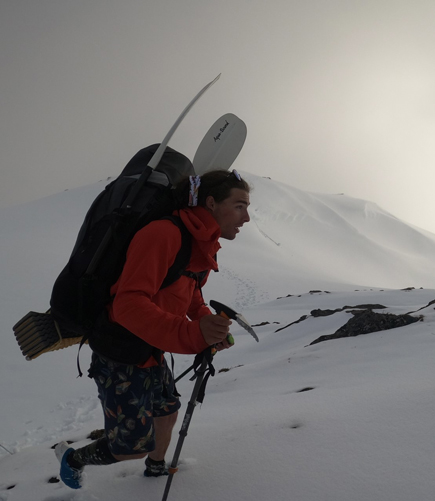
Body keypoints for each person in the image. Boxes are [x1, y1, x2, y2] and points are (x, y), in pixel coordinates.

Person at [55, 169, 251, 489]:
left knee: (167, 413)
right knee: (129, 447)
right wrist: (192, 334)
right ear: (211, 202)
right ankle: (73, 459)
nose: (246, 218)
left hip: (151, 346)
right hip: (120, 351)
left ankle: (157, 466)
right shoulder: (164, 234)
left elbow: (188, 292)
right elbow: (129, 305)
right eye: (240, 205)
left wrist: (205, 321)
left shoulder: (198, 242)